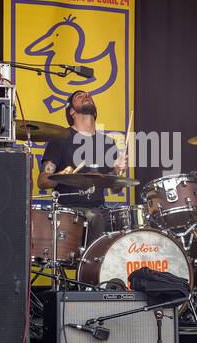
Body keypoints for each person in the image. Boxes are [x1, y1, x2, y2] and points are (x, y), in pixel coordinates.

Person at [37, 89, 128, 243]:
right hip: (69, 212)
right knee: (95, 217)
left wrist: (117, 171)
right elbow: (42, 181)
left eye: (88, 95)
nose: (87, 96)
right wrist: (63, 175)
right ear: (71, 111)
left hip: (99, 208)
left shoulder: (107, 143)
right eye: (80, 96)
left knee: (124, 223)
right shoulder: (60, 138)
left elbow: (115, 188)